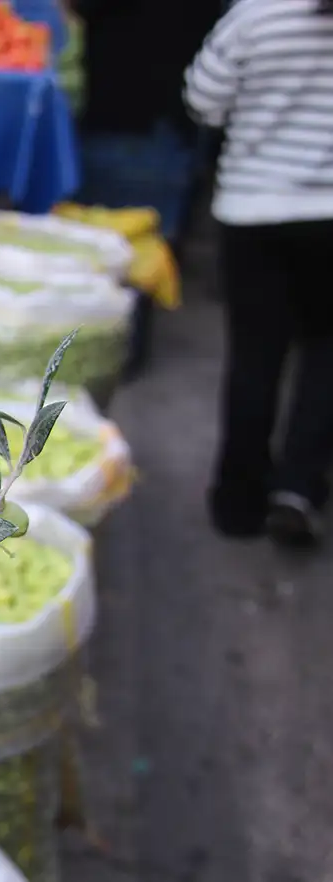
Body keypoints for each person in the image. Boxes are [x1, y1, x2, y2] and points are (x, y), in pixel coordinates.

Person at [184, 0, 333, 547]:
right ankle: (297, 487)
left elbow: (203, 100)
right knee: (325, 354)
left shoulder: (256, 14)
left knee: (255, 357)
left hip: (254, 213)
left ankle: (238, 502)